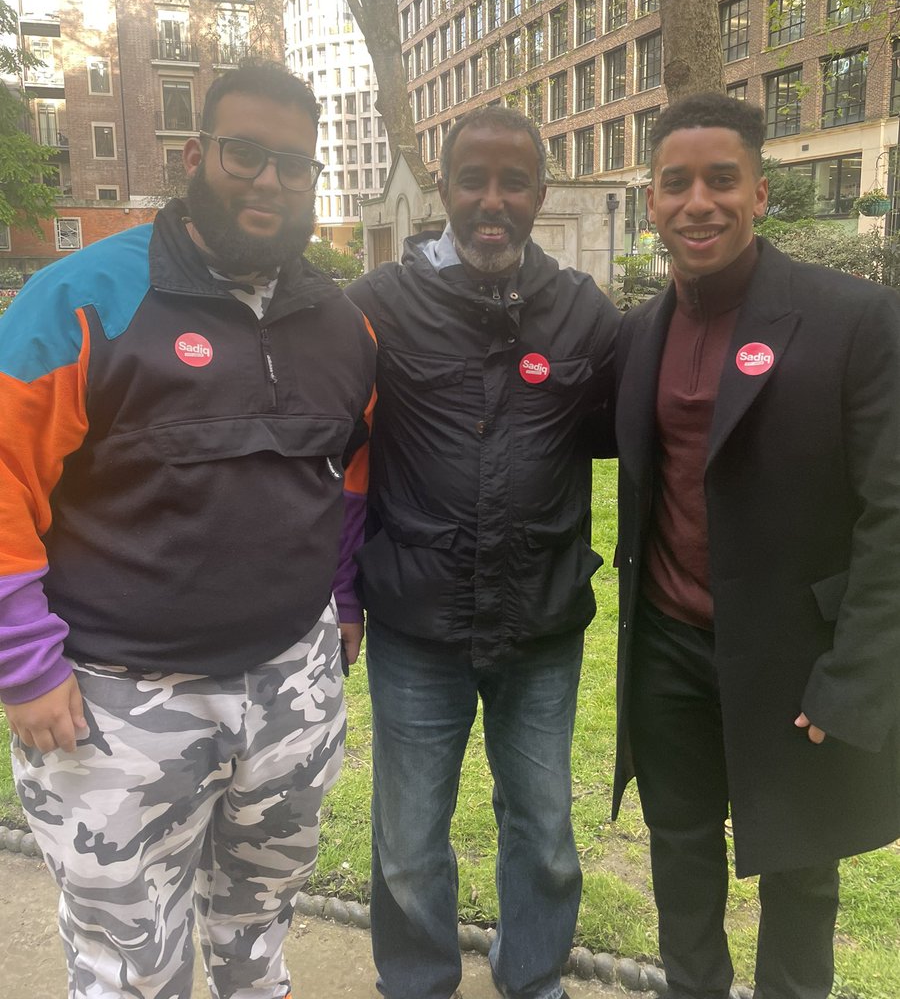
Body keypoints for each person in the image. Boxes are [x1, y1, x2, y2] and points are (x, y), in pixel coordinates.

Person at [0, 61, 376, 999]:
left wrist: (342, 605)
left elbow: (349, 476)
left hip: (289, 690)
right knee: (128, 962)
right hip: (116, 704)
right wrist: (25, 666)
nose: (270, 180)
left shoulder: (342, 326)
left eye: (294, 163)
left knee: (259, 925)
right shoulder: (80, 299)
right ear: (195, 154)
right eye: (245, 153)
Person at [613, 93, 900, 999]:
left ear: (760, 193)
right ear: (652, 203)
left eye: (722, 180)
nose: (700, 201)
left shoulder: (855, 320)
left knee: (802, 871)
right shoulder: (638, 334)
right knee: (680, 857)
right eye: (677, 184)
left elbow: (891, 514)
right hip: (666, 647)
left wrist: (856, 676)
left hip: (795, 655)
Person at [346, 106, 620, 999]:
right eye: (473, 180)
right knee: (409, 838)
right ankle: (418, 982)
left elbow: (656, 427)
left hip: (541, 622)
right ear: (444, 190)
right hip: (415, 623)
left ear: (541, 191)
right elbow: (323, 442)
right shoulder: (379, 305)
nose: (491, 201)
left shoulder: (581, 313)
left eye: (513, 182)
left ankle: (533, 978)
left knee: (541, 828)